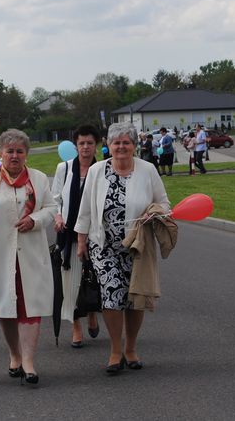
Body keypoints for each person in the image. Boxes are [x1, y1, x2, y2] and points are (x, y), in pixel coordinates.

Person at [74, 121, 169, 374]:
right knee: (112, 295)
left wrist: (156, 213)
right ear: (108, 145)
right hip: (103, 245)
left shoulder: (147, 170)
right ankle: (116, 350)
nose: (121, 147)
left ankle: (131, 348)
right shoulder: (96, 171)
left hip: (137, 245)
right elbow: (85, 208)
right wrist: (81, 241)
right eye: (116, 143)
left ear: (134, 146)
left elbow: (164, 203)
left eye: (126, 142)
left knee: (135, 299)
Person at [0, 129, 57, 385]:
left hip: (31, 255)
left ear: (26, 154)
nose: (15, 156)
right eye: (10, 151)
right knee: (5, 308)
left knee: (31, 307)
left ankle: (29, 362)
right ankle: (15, 355)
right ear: (0, 153)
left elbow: (52, 208)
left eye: (20, 151)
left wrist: (35, 219)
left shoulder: (39, 179)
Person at [51, 124, 100, 349]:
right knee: (70, 281)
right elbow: (55, 198)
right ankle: (76, 325)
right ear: (75, 145)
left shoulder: (101, 168)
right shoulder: (65, 168)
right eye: (82, 143)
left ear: (96, 145)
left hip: (95, 233)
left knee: (92, 278)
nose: (86, 147)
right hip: (69, 232)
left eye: (90, 143)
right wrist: (58, 217)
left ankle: (92, 312)